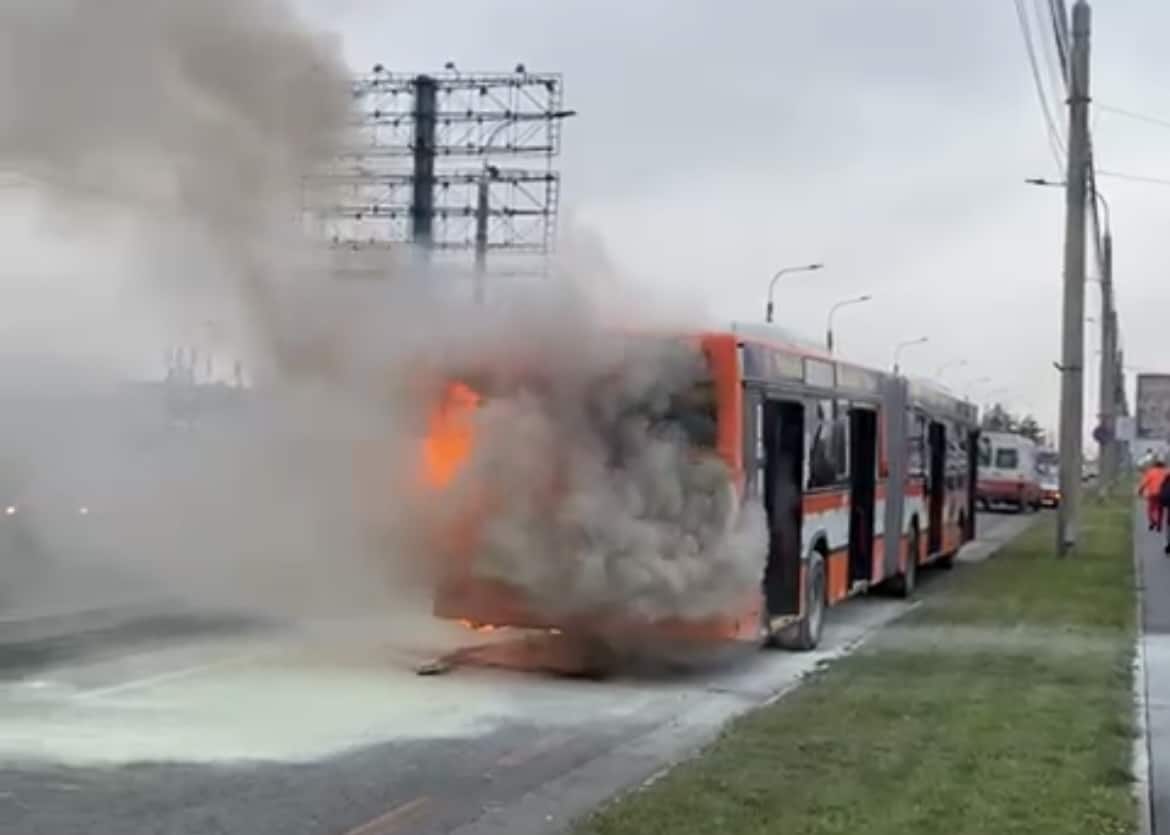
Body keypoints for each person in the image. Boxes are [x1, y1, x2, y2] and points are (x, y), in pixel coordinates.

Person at [1139, 456, 1169, 532]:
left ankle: (1153, 521)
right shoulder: (1166, 472)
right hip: (1162, 494)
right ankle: (1159, 525)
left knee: (1150, 509)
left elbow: (1143, 483)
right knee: (1160, 510)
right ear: (1163, 465)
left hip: (1152, 494)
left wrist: (1140, 491)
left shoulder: (1151, 472)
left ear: (1155, 464)